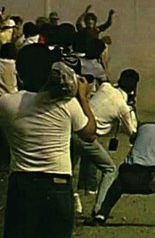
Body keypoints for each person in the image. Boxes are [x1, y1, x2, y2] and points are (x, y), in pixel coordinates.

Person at [0, 43, 97, 238]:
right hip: (58, 185)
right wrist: (83, 98)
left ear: (19, 71)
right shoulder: (66, 103)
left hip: (22, 185)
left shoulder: (6, 104)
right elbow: (90, 133)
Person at [87, 107, 155, 227]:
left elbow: (133, 139)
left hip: (126, 177)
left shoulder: (144, 128)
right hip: (148, 180)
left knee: (115, 187)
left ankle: (102, 214)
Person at [74, 68, 140, 215]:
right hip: (87, 137)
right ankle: (99, 209)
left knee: (71, 169)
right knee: (110, 169)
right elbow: (132, 131)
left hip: (73, 130)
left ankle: (78, 195)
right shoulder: (122, 107)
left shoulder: (105, 87)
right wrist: (131, 107)